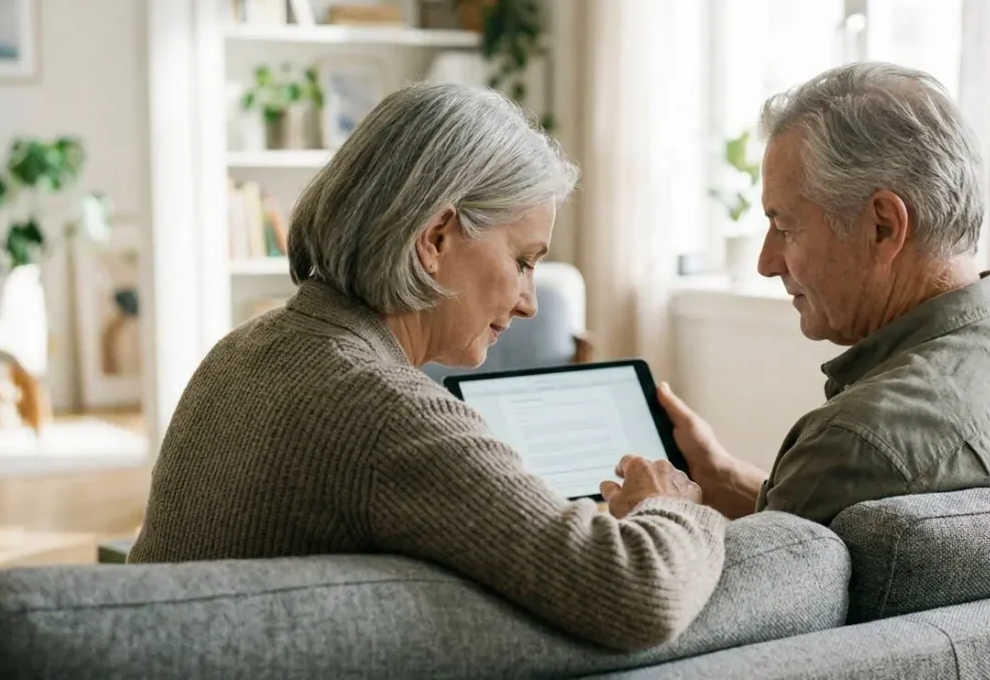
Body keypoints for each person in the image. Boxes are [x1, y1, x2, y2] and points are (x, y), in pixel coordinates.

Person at [128, 83, 726, 652]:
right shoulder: (386, 412)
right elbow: (638, 593)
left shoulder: (239, 350)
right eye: (523, 261)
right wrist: (673, 506)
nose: (530, 302)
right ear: (435, 239)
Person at [649, 62, 990, 526]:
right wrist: (723, 478)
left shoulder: (853, 443)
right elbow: (825, 538)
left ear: (883, 226)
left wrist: (665, 517)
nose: (766, 263)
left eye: (785, 227)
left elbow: (758, 572)